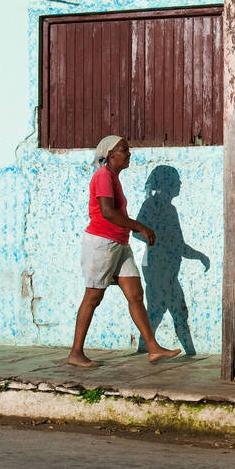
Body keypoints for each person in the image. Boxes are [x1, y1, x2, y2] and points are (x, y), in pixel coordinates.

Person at [67, 135, 181, 369]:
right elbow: (108, 213)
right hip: (102, 244)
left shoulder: (113, 178)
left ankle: (153, 348)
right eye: (124, 150)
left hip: (119, 243)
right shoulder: (102, 177)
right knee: (93, 296)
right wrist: (140, 226)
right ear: (110, 154)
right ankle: (76, 353)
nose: (129, 154)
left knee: (135, 294)